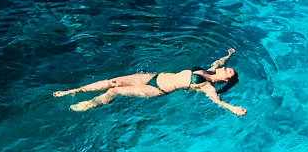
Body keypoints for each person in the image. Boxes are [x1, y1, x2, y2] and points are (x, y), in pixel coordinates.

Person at [53, 47, 246, 116]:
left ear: (225, 79)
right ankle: (75, 90)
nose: (224, 68)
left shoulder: (207, 86)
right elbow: (218, 62)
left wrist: (233, 108)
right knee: (112, 82)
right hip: (154, 76)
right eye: (227, 67)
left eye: (227, 70)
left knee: (115, 92)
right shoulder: (210, 70)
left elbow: (217, 102)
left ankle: (88, 104)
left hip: (156, 89)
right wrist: (228, 55)